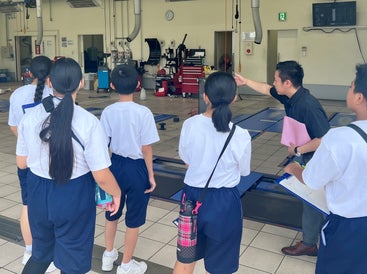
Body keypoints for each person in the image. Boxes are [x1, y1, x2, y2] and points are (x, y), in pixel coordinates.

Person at [285, 63, 367, 273]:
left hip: (348, 227)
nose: (349, 90)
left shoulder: (338, 139)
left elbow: (311, 180)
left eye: (351, 87)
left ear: (359, 98)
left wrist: (293, 169)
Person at [16, 57, 121, 274]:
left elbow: (21, 163)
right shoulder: (89, 122)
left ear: (49, 83)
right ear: (80, 83)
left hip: (38, 191)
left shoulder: (30, 117)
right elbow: (101, 175)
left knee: (40, 254)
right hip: (73, 194)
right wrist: (116, 193)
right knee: (72, 263)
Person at [234, 60, 329, 256]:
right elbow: (267, 89)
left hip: (316, 158)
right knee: (308, 198)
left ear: (287, 83)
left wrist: (298, 150)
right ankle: (311, 239)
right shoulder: (290, 97)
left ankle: (311, 243)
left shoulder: (307, 105)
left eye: (276, 80)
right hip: (305, 154)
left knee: (312, 199)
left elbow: (324, 139)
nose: (274, 83)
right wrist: (246, 81)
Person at [173, 71, 251, 274]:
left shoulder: (190, 125)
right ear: (234, 98)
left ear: (205, 96)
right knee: (220, 267)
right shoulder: (241, 135)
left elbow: (186, 158)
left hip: (192, 199)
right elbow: (244, 171)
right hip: (224, 204)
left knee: (186, 257)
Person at [100, 64, 160, 274]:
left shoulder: (108, 112)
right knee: (133, 218)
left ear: (112, 85)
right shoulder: (143, 113)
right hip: (137, 169)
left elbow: (103, 144)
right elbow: (146, 148)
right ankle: (126, 265)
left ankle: (108, 255)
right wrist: (151, 175)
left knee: (112, 211)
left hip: (115, 166)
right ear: (137, 85)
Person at [8, 55, 54, 269]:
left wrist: (28, 143)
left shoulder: (17, 94)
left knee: (27, 205)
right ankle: (48, 252)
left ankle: (30, 251)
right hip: (51, 160)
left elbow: (14, 127)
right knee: (51, 206)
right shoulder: (54, 93)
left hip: (26, 158)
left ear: (30, 73)